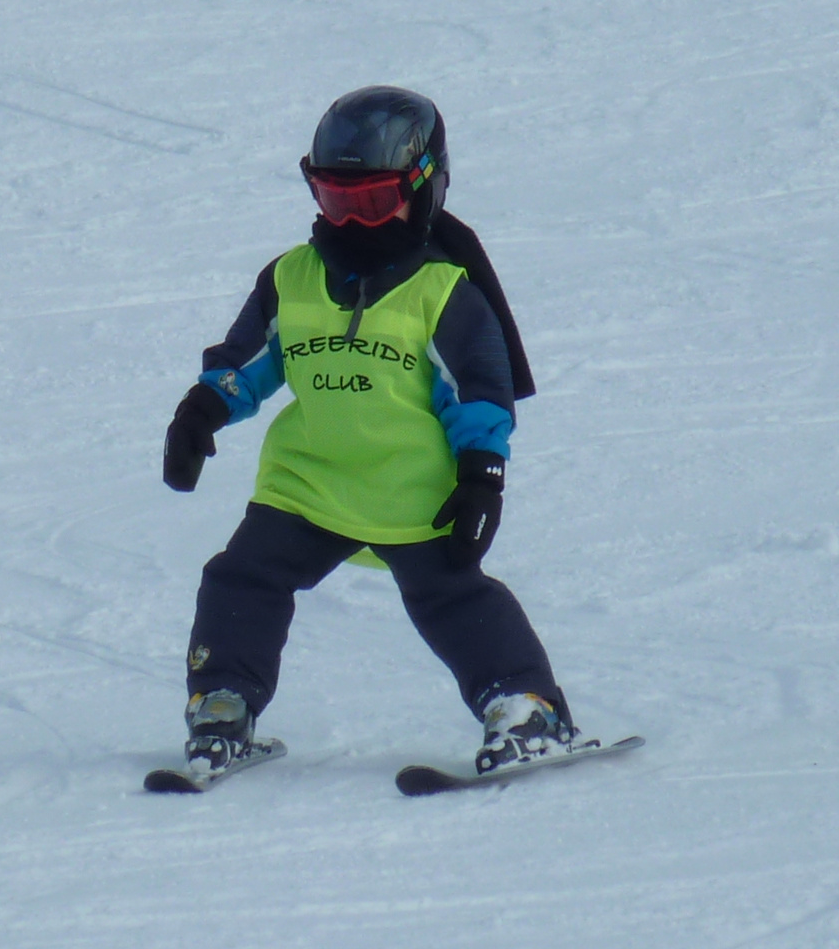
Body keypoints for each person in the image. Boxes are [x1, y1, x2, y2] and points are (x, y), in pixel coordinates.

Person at [162, 85, 577, 777]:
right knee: (240, 579)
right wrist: (201, 411)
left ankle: (525, 705)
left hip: (412, 495)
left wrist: (482, 474)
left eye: (372, 202)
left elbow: (479, 394)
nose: (351, 223)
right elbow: (248, 361)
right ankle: (223, 704)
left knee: (453, 596)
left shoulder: (443, 293)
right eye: (334, 200)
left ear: (424, 191)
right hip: (307, 484)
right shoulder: (292, 278)